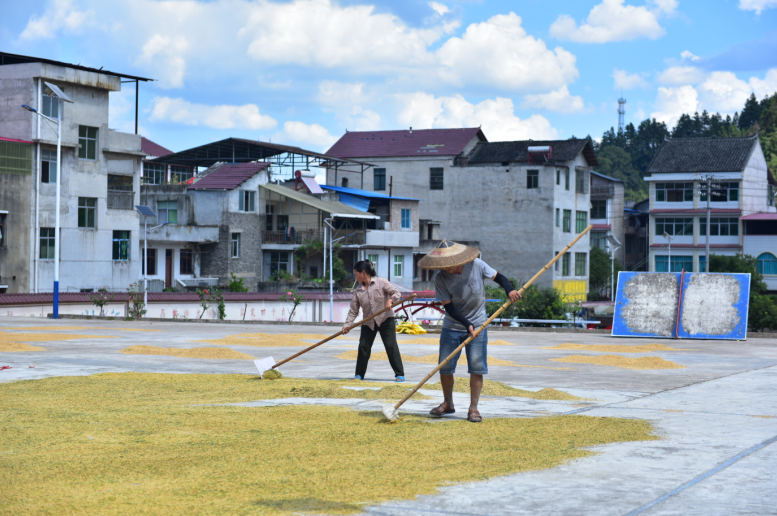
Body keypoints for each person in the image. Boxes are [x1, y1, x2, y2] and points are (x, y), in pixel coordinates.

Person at [418, 240, 520, 422]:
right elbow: (449, 309)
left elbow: (500, 278)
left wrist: (509, 290)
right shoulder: (441, 278)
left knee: (476, 367)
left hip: (479, 324)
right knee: (445, 367)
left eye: (449, 265)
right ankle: (448, 403)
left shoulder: (477, 265)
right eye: (444, 266)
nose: (446, 268)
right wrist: (467, 325)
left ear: (458, 259)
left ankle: (473, 408)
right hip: (453, 326)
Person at [342, 260, 405, 382]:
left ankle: (399, 374)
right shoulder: (358, 291)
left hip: (385, 319)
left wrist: (390, 301)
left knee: (391, 346)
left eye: (356, 274)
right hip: (368, 322)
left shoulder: (381, 282)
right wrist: (347, 325)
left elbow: (396, 293)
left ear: (363, 273)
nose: (355, 277)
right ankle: (359, 374)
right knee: (363, 347)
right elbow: (353, 311)